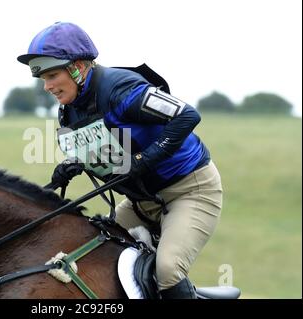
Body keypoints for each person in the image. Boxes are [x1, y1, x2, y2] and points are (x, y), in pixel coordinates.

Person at [17, 22, 223, 299]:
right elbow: (103, 150)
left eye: (53, 75)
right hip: (141, 203)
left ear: (79, 66)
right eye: (43, 78)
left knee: (168, 270)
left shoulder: (122, 88)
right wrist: (71, 164)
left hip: (189, 192)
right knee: (87, 256)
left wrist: (146, 158)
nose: (47, 86)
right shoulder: (69, 111)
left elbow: (187, 116)